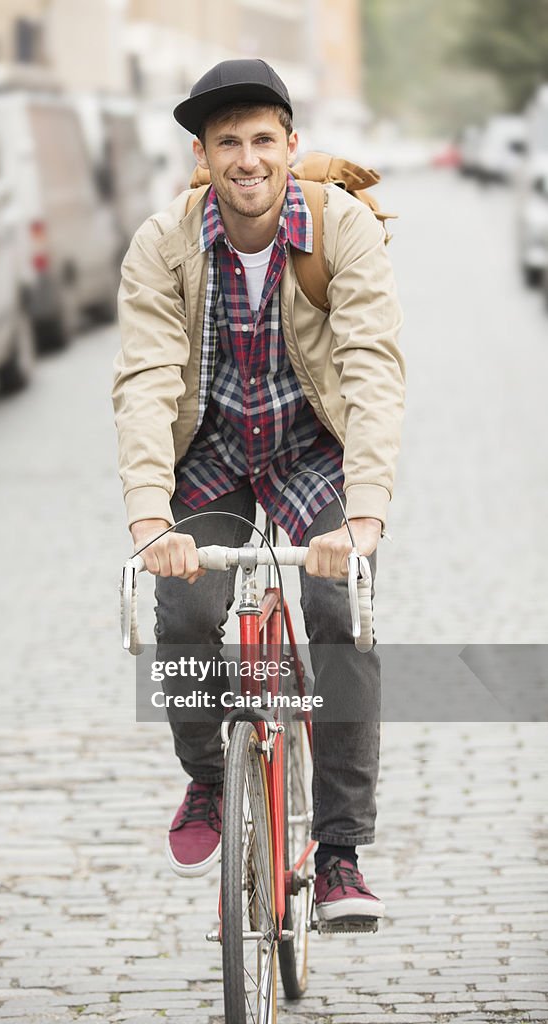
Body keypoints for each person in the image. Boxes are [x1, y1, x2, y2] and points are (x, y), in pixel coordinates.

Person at [112, 58, 405, 927]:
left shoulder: (339, 228)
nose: (247, 159)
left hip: (310, 449)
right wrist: (147, 518)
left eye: (262, 140)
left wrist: (362, 518)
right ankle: (209, 777)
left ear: (290, 146)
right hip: (207, 452)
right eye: (227, 143)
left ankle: (342, 851)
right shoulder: (161, 244)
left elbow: (371, 369)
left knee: (338, 609)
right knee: (186, 613)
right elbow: (145, 381)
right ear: (202, 156)